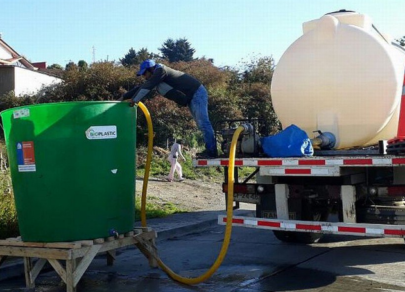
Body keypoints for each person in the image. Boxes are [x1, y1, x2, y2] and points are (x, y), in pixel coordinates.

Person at [120, 59, 217, 158]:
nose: (144, 76)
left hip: (197, 93)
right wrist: (124, 97)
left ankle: (211, 151)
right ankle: (210, 150)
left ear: (151, 69)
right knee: (201, 125)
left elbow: (148, 86)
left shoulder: (161, 71)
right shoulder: (156, 77)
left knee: (203, 124)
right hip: (191, 96)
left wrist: (135, 100)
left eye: (145, 73)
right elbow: (142, 87)